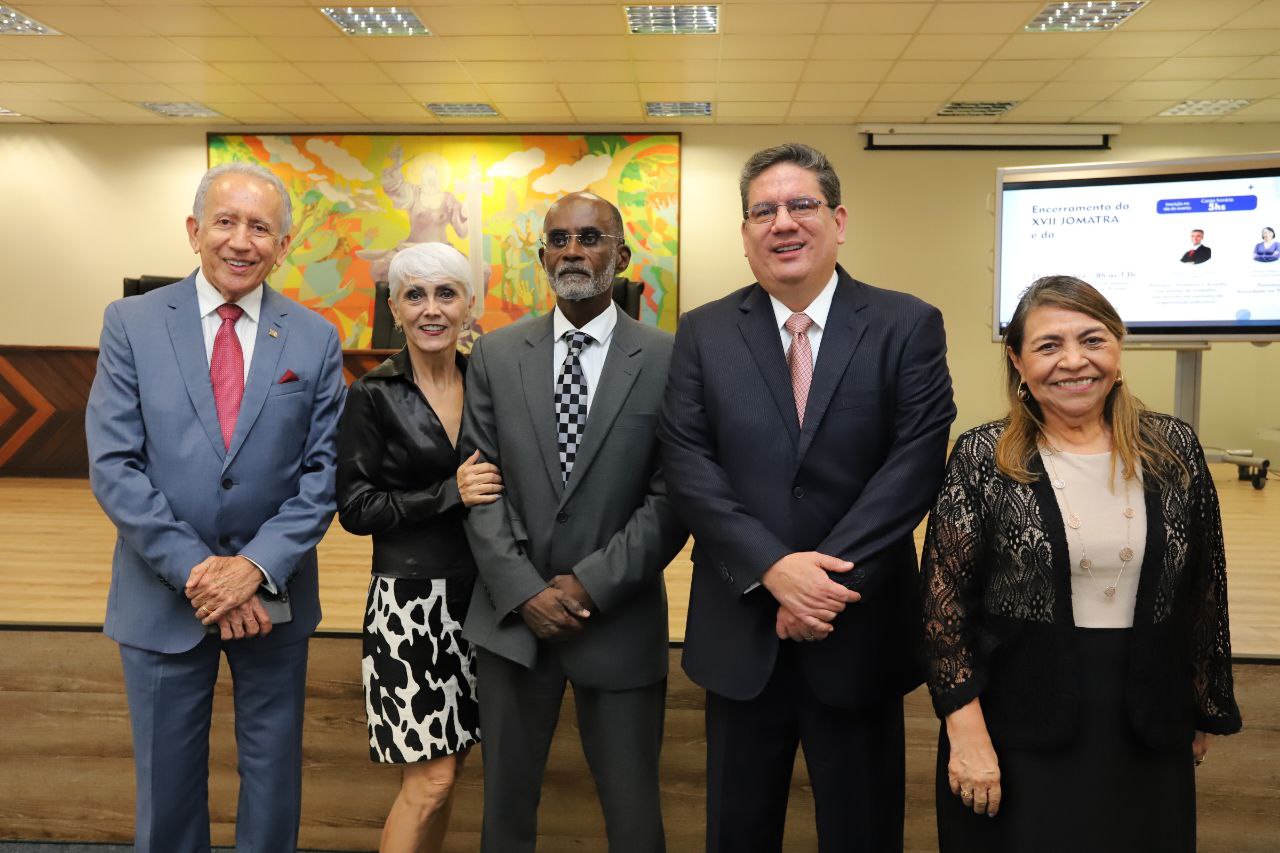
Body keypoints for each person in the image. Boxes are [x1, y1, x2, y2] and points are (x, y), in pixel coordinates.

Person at [658, 142, 956, 852]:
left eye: (801, 205)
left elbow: (913, 466)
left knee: (863, 833)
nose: (783, 223)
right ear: (745, 233)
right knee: (737, 833)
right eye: (764, 211)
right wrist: (772, 568)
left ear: (838, 220)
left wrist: (817, 586)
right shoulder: (702, 331)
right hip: (741, 632)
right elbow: (689, 462)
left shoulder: (906, 324)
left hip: (859, 631)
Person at [920, 275, 1242, 853]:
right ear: (1017, 361)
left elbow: (1203, 588)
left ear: (1117, 349)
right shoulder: (982, 457)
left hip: (1146, 718)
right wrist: (965, 732)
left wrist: (1199, 702)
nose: (1074, 361)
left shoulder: (1172, 448)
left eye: (1093, 340)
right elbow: (944, 611)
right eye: (1049, 346)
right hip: (1016, 724)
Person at [86, 162, 346, 852]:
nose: (241, 240)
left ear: (283, 246)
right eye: (225, 222)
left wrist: (253, 568)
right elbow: (115, 465)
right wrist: (203, 574)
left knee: (273, 777)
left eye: (260, 227)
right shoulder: (132, 323)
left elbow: (323, 474)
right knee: (166, 786)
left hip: (273, 596)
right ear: (194, 231)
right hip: (162, 593)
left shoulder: (314, 337)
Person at [459, 191, 687, 853]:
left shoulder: (670, 359)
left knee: (634, 817)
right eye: (558, 240)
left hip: (617, 618)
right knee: (504, 815)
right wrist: (524, 590)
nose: (573, 252)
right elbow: (480, 487)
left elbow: (673, 496)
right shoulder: (496, 355)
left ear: (622, 254)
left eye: (590, 238)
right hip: (512, 623)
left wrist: (588, 584)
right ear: (542, 258)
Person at [336, 243, 499, 852]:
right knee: (431, 780)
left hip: (484, 599)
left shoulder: (489, 382)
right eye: (415, 295)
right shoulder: (372, 395)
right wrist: (450, 493)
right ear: (395, 309)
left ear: (469, 305)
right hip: (410, 606)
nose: (432, 309)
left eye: (446, 294)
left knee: (449, 773)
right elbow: (356, 509)